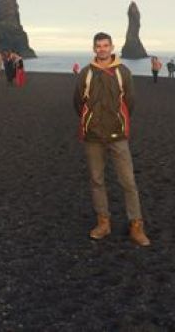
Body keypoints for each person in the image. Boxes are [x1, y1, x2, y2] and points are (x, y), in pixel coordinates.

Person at [73, 32, 150, 247]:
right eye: (98, 46)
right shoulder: (86, 74)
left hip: (118, 135)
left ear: (112, 47)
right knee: (97, 180)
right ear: (94, 48)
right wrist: (89, 121)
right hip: (93, 136)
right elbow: (78, 102)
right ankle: (103, 222)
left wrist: (119, 121)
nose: (102, 49)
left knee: (128, 182)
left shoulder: (122, 72)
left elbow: (130, 102)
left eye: (106, 45)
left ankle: (136, 225)